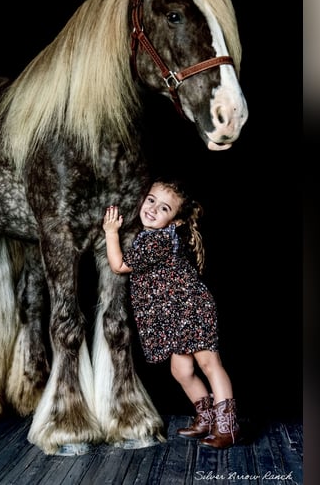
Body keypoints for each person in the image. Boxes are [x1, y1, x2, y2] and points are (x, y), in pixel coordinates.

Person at [102, 178, 241, 448]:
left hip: (190, 307)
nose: (153, 209)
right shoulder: (150, 236)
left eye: (164, 208)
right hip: (176, 313)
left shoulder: (157, 242)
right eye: (151, 200)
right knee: (181, 369)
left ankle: (228, 427)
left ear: (175, 221)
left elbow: (118, 265)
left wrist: (110, 232)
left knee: (209, 364)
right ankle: (206, 417)